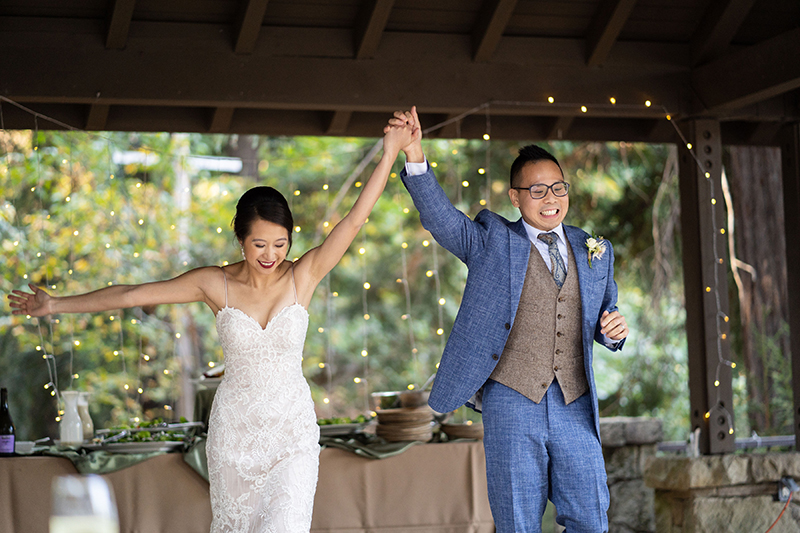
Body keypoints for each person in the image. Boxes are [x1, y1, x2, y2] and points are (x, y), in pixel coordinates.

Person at [9, 119, 415, 533]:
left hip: (292, 434)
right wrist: (55, 304)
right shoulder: (214, 283)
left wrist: (389, 154)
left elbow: (353, 221)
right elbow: (133, 294)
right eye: (259, 244)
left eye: (280, 244)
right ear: (240, 239)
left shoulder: (303, 275)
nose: (270, 255)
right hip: (234, 436)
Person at [387, 107, 628, 533]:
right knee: (517, 521)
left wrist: (612, 332)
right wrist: (414, 154)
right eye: (537, 190)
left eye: (558, 188)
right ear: (515, 197)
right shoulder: (493, 241)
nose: (550, 198)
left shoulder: (594, 249)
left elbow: (604, 314)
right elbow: (442, 220)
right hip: (512, 401)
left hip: (574, 402)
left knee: (591, 517)